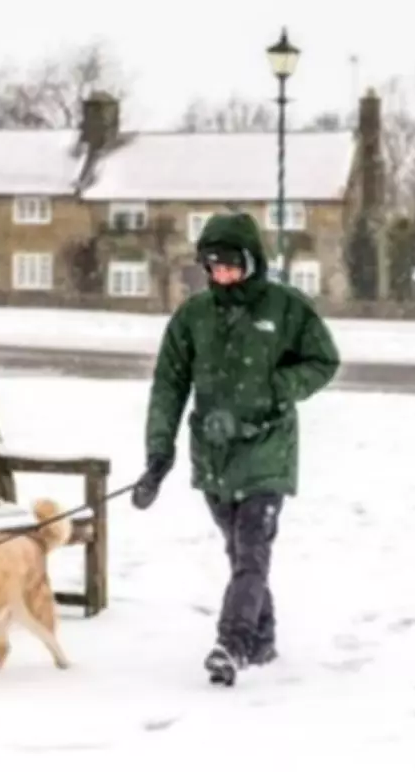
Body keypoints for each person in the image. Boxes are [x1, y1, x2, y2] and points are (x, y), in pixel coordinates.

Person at [131, 212, 340, 686]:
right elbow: (168, 386)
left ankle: (234, 643)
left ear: (252, 261)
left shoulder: (285, 308)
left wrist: (279, 386)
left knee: (251, 551)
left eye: (231, 265)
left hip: (267, 450)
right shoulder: (193, 317)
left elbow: (324, 360)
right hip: (215, 454)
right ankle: (263, 637)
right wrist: (158, 456)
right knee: (239, 551)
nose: (222, 275)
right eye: (214, 266)